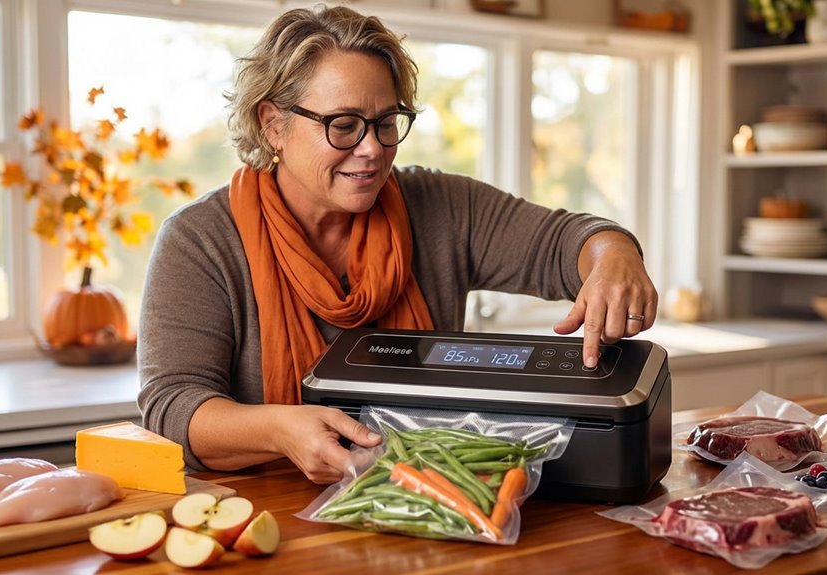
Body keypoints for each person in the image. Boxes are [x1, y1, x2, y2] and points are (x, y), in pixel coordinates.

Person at [138, 5, 658, 484]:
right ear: (273, 123)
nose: (371, 149)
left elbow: (565, 241)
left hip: (434, 500)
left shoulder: (442, 207)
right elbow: (173, 408)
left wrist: (613, 253)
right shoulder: (200, 241)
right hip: (265, 516)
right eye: (343, 125)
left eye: (387, 123)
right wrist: (279, 430)